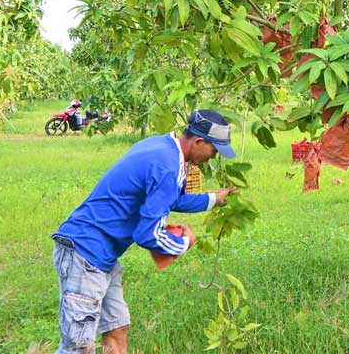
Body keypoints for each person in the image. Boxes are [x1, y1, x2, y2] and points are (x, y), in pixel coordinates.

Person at [51, 109, 238, 354]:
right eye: (214, 149)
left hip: (102, 256)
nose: (213, 157)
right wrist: (183, 243)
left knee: (117, 329)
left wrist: (214, 198)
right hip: (85, 253)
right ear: (199, 141)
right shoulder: (168, 167)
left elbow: (170, 198)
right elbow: (146, 234)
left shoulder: (163, 147)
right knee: (78, 347)